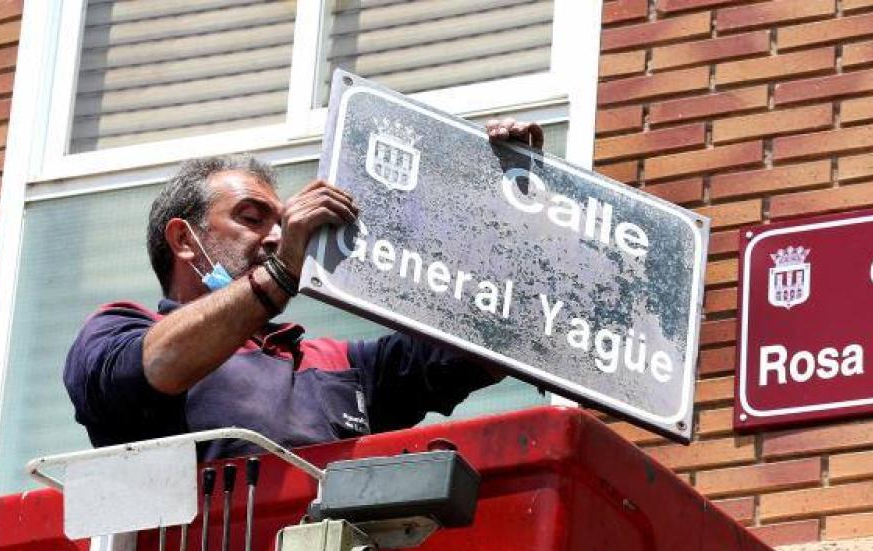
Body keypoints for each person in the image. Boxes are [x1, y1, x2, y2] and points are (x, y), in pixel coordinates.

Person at [64, 119, 544, 458]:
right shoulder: (117, 332)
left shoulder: (336, 363)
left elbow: (486, 331)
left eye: (283, 222)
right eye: (252, 219)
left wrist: (502, 208)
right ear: (184, 241)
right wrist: (280, 275)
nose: (277, 235)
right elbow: (159, 364)